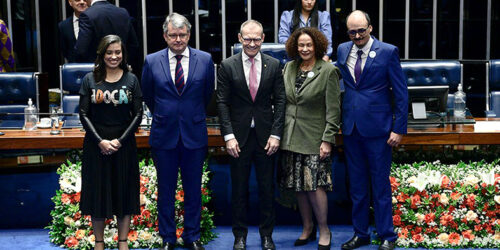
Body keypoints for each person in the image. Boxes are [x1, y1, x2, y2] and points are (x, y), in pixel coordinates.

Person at [141, 13, 214, 250]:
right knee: (166, 190)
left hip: (194, 134)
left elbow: (207, 96)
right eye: (173, 35)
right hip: (165, 134)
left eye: (182, 35)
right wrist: (166, 114)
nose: (178, 39)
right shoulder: (152, 61)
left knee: (194, 190)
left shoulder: (205, 59)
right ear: (165, 36)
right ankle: (168, 237)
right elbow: (148, 95)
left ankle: (192, 236)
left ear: (189, 35)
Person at [335, 10, 408, 250]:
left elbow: (400, 93)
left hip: (379, 130)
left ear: (370, 28)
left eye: (361, 30)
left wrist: (398, 128)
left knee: (380, 186)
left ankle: (388, 236)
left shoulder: (388, 51)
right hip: (351, 128)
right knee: (356, 187)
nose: (356, 36)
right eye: (352, 32)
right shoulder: (343, 49)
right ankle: (361, 233)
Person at [216, 20, 286, 250]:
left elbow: (281, 101)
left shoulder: (274, 65)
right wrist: (228, 136)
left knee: (267, 189)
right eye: (247, 39)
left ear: (263, 38)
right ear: (239, 38)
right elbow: (222, 103)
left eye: (256, 39)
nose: (252, 43)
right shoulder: (227, 65)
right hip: (239, 138)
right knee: (239, 190)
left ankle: (267, 235)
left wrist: (276, 134)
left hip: (266, 138)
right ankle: (240, 236)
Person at [79, 34, 143, 250]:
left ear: (123, 54)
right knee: (98, 194)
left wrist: (119, 141)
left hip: (124, 146)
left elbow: (138, 114)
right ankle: (99, 242)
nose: (114, 56)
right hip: (96, 147)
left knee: (124, 193)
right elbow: (83, 114)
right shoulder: (90, 79)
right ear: (102, 54)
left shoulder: (131, 79)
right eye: (109, 52)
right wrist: (100, 141)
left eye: (118, 52)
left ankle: (122, 241)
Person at [280, 27, 341, 250]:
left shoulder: (327, 71)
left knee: (315, 186)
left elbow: (333, 110)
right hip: (290, 136)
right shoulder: (288, 68)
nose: (304, 49)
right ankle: (307, 228)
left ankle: (324, 229)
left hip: (315, 138)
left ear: (317, 45)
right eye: (300, 45)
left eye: (309, 45)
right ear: (295, 47)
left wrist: (327, 139)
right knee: (299, 185)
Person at [75, 0, 139, 70]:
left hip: (96, 71)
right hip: (120, 69)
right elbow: (133, 44)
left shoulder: (87, 15)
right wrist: (121, 63)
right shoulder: (123, 12)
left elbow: (81, 49)